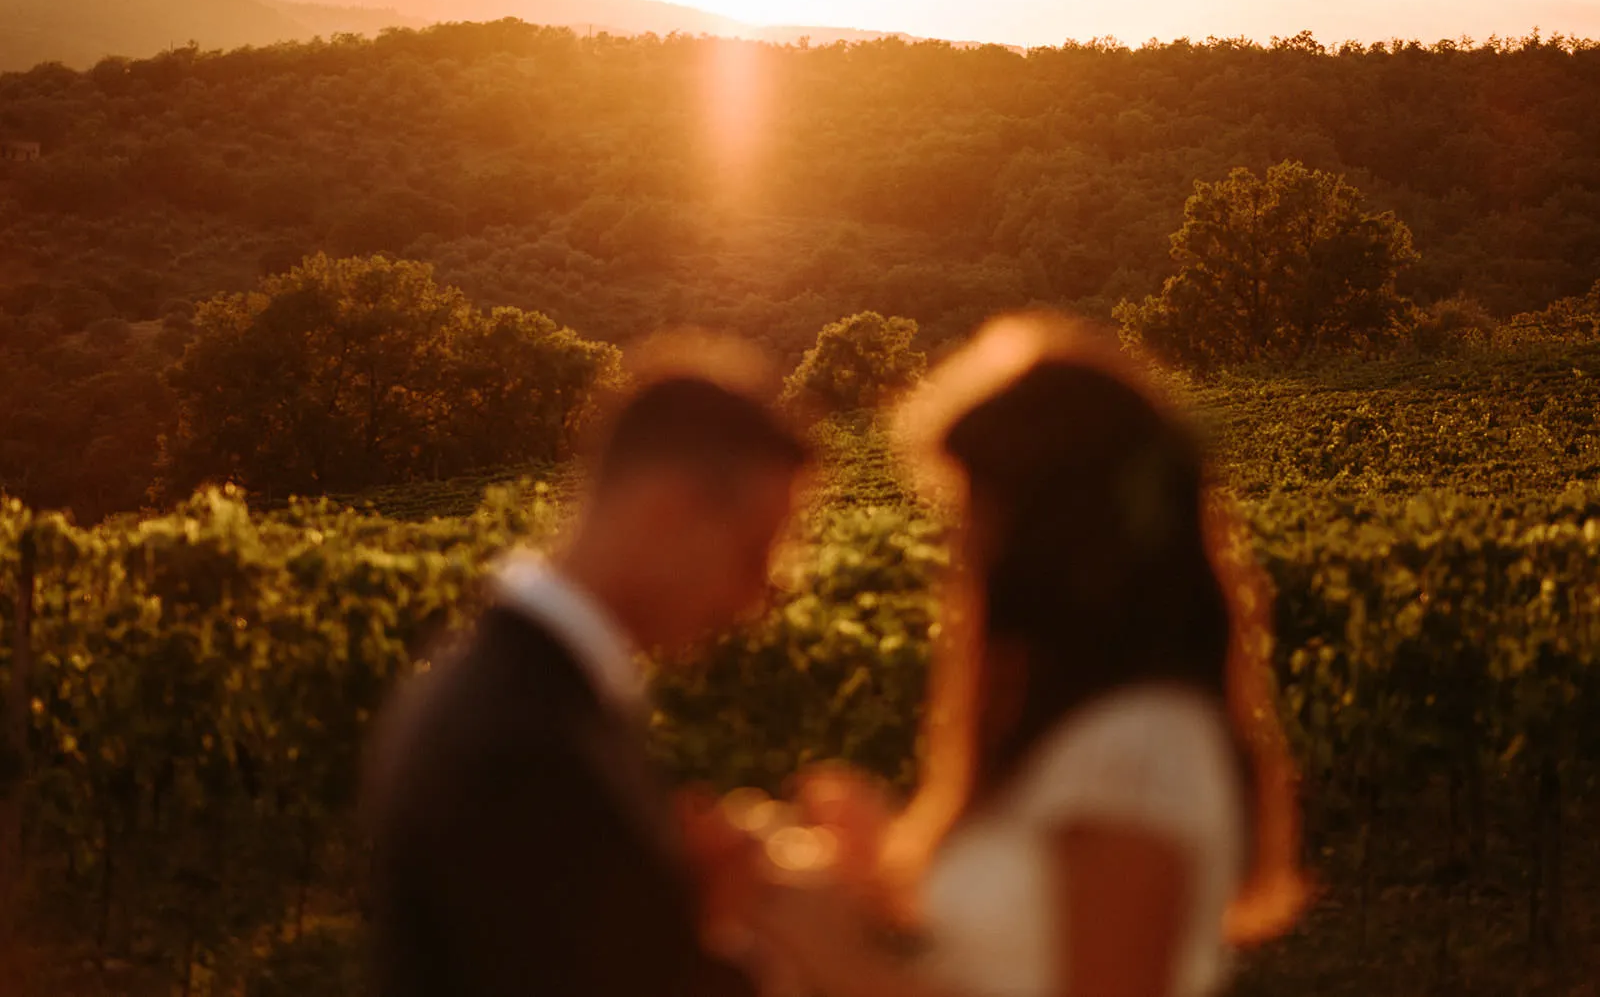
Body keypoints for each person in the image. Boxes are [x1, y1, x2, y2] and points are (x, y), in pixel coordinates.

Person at [746, 314, 1309, 997]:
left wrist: (842, 965)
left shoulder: (1138, 749)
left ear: (1050, 535)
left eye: (973, 512)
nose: (960, 548)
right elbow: (1024, 948)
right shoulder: (1083, 732)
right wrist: (882, 874)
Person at [365, 332, 810, 997]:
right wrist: (806, 954)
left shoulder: (522, 688)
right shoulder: (519, 742)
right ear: (668, 513)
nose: (754, 602)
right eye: (755, 556)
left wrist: (680, 904)